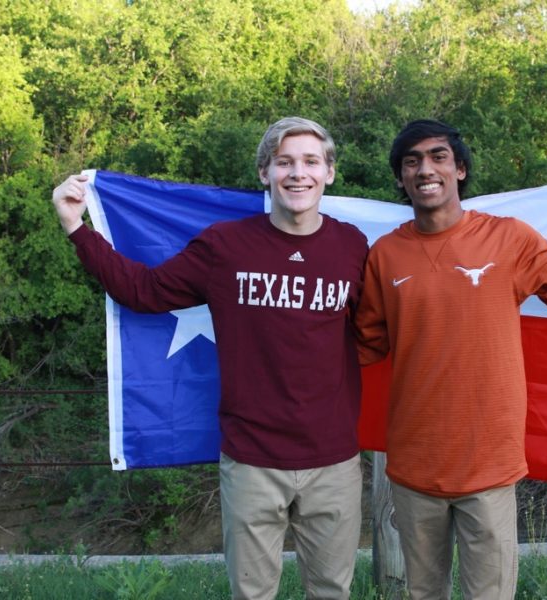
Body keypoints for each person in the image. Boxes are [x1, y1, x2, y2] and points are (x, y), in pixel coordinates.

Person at [52, 117, 368, 599]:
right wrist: (76, 226)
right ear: (265, 173)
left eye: (310, 161)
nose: (297, 173)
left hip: (334, 462)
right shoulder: (226, 245)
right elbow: (144, 291)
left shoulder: (353, 246)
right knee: (251, 594)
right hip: (252, 460)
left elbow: (382, 329)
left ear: (329, 172)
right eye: (284, 162)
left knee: (331, 592)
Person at [355, 119, 547, 599]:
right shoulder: (385, 254)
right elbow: (363, 345)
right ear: (400, 178)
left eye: (438, 157)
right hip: (414, 465)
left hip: (489, 465)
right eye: (411, 161)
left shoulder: (510, 240)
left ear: (459, 169)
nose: (425, 169)